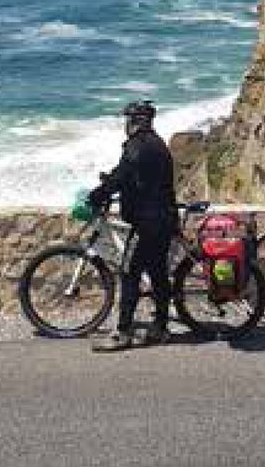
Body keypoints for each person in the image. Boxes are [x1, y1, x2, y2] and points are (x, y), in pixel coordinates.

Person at [87, 100, 175, 352]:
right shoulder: (158, 145)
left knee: (129, 273)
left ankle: (122, 334)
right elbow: (134, 177)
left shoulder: (138, 146)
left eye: (128, 120)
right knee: (158, 275)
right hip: (163, 219)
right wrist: (113, 182)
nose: (126, 125)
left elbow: (123, 174)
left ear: (136, 121)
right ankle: (160, 327)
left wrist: (98, 194)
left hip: (147, 223)